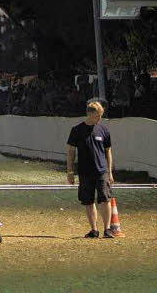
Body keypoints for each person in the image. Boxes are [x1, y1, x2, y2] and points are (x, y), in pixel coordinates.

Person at [66, 100, 114, 238]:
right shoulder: (77, 130)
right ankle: (94, 230)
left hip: (102, 170)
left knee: (105, 199)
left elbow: (108, 151)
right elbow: (71, 152)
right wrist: (70, 172)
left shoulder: (104, 130)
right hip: (85, 171)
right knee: (88, 201)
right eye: (98, 116)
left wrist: (109, 171)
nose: (100, 119)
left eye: (100, 116)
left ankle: (107, 229)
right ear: (89, 114)